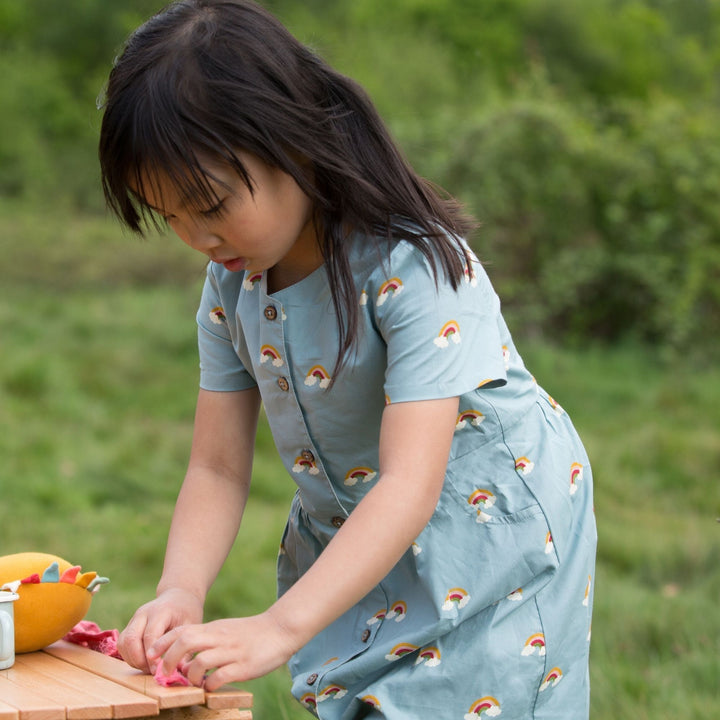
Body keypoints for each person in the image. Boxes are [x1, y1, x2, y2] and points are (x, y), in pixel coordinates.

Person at [99, 1, 597, 717]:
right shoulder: (231, 283)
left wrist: (279, 626)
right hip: (358, 530)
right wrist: (180, 589)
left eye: (209, 205)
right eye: (167, 215)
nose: (195, 237)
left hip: (489, 534)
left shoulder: (417, 267)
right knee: (369, 702)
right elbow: (215, 465)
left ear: (292, 145)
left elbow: (409, 482)